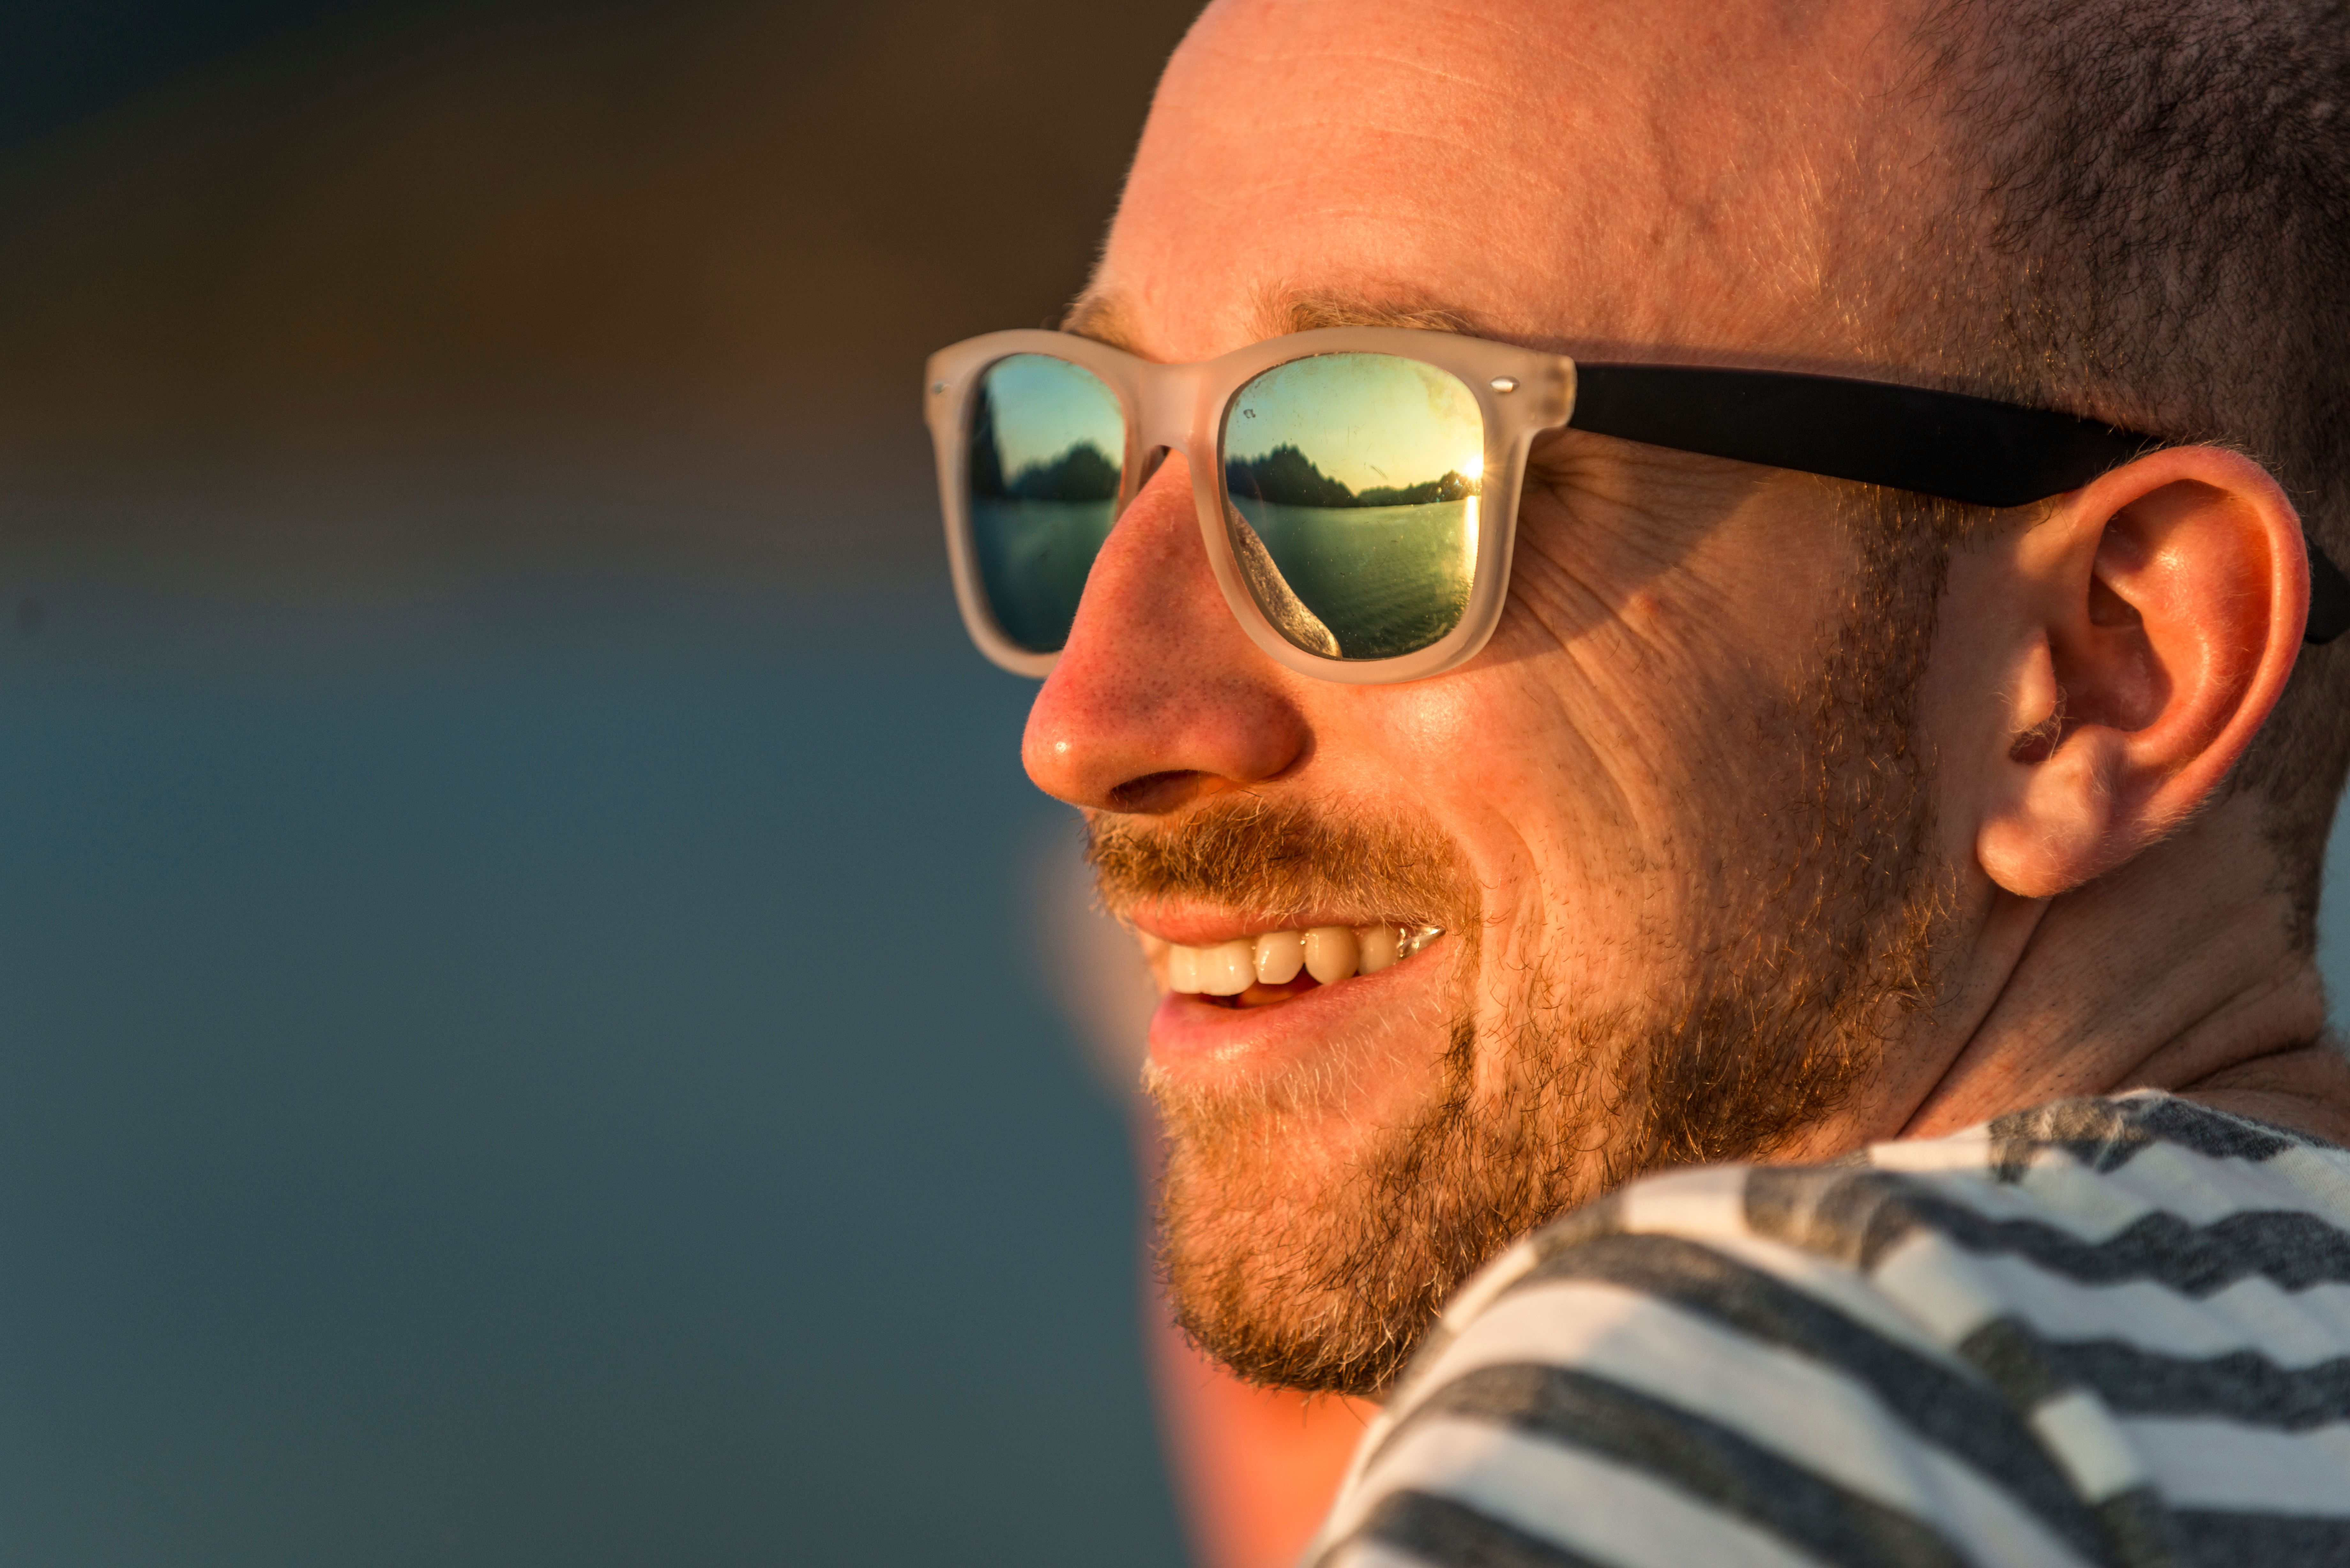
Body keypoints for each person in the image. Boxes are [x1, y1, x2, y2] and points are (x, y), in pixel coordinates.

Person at [927, 1, 2350, 1562]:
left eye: (1380, 476)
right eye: (1073, 447)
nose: (1085, 721)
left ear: (2102, 671)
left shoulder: (1743, 1397)